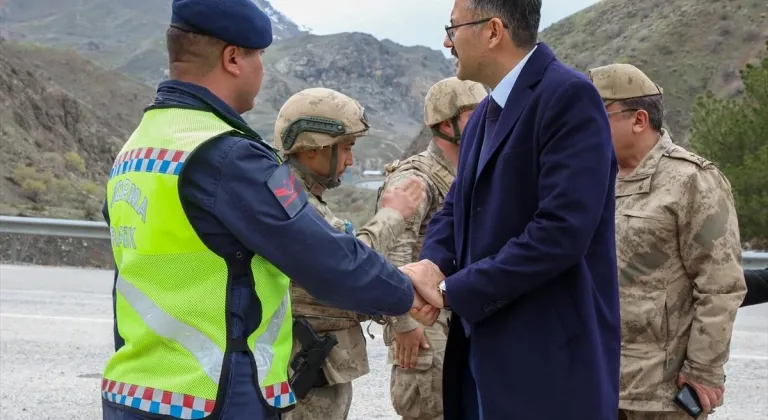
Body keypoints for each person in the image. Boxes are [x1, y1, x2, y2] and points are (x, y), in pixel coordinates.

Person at [99, 1, 441, 419]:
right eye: (260, 56)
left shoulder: (136, 149)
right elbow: (325, 258)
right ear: (233, 59)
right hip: (214, 396)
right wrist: (406, 290)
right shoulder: (228, 157)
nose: (262, 69)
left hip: (134, 393)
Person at [400, 0, 623, 419]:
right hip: (483, 359)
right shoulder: (486, 112)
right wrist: (431, 265)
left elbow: (560, 232)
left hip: (548, 367)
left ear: (493, 31)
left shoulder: (568, 97)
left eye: (453, 27)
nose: (447, 42)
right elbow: (455, 209)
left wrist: (453, 291)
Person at [588, 63, 746, 420]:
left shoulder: (693, 181)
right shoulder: (592, 179)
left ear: (639, 119)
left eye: (597, 115)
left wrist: (704, 371)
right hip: (596, 381)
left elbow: (720, 286)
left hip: (662, 393)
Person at [271, 87, 425, 420]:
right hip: (306, 372)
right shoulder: (293, 204)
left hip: (317, 365)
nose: (351, 160)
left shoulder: (295, 196)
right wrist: (393, 215)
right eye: (346, 148)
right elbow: (350, 266)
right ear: (314, 148)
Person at [377, 76, 486, 420]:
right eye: (475, 113)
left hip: (459, 317)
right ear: (445, 123)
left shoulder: (468, 173)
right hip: (425, 328)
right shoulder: (415, 178)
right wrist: (404, 322)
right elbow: (391, 251)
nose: (486, 119)